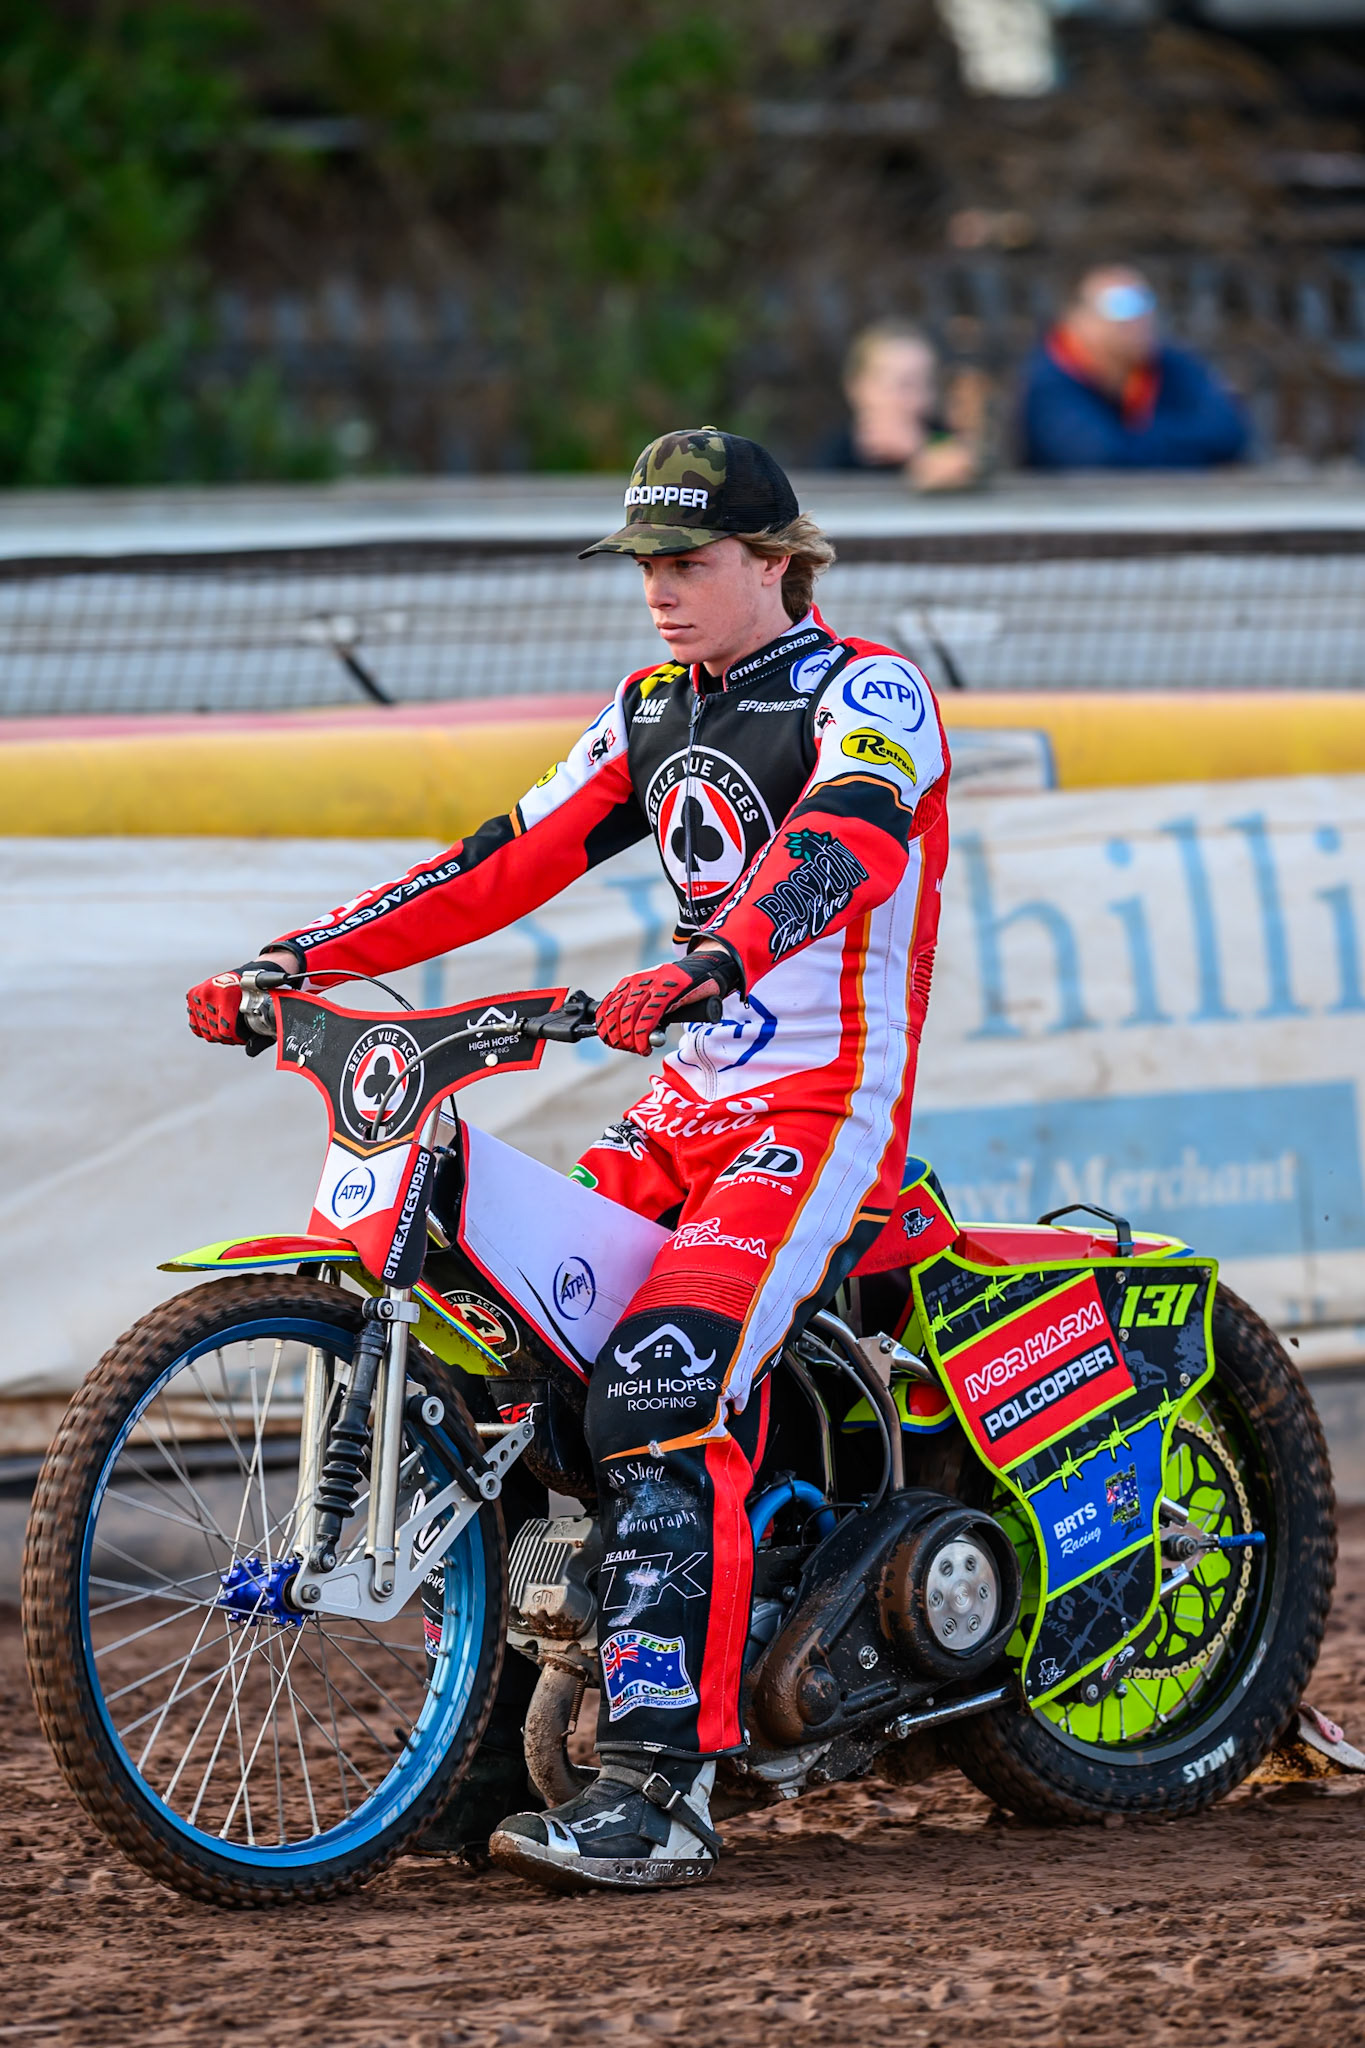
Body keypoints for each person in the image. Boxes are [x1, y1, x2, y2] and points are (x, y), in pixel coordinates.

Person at [185, 427, 950, 1896]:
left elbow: (845, 840)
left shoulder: (873, 691)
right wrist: (297, 958)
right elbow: (498, 862)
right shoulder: (651, 708)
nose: (660, 591)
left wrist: (722, 951)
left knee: (661, 1383)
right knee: (504, 1361)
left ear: (776, 563)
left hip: (819, 1115)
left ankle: (660, 1787)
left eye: (689, 562)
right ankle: (485, 1750)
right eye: (647, 566)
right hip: (678, 1114)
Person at [1021, 265, 1249, 471]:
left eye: (1145, 302)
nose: (1139, 318)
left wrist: (1133, 441)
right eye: (1121, 306)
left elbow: (1228, 434)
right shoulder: (1052, 375)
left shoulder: (1172, 363)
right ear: (1079, 318)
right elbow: (1097, 457)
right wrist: (1186, 444)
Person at [820, 318, 985, 491]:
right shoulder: (838, 451)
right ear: (858, 387)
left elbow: (964, 467)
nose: (920, 398)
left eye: (927, 384)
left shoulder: (938, 436)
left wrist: (917, 450)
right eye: (905, 385)